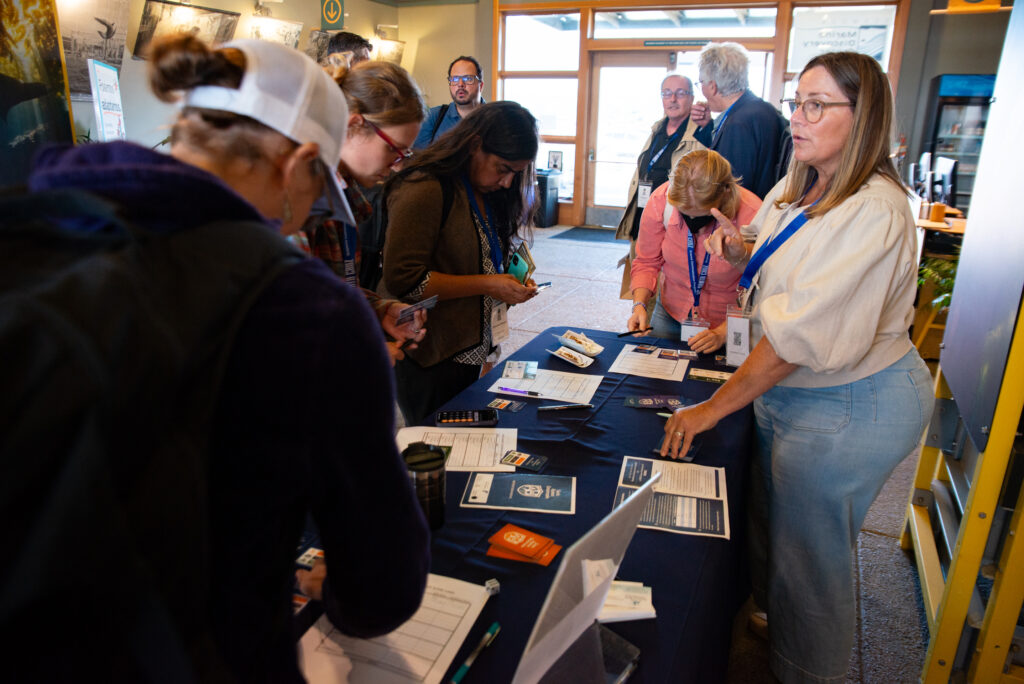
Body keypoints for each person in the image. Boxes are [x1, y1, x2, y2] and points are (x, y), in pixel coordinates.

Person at [2, 36, 429, 681]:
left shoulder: (25, 233)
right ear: (301, 162)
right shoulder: (306, 309)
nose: (298, 224)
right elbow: (382, 585)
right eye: (315, 194)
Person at [662, 52, 933, 684]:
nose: (799, 119)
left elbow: (795, 340)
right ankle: (776, 627)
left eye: (817, 105)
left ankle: (806, 669)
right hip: (801, 390)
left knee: (811, 564)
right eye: (797, 104)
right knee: (775, 534)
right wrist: (744, 247)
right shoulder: (805, 180)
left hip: (851, 401)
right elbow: (791, 250)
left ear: (861, 117)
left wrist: (712, 406)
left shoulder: (874, 208)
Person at [383, 101, 539, 425]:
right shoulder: (425, 187)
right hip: (430, 354)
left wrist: (509, 279)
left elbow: (481, 255)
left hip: (471, 347)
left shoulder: (487, 191)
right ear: (475, 145)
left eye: (516, 172)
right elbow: (405, 281)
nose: (508, 182)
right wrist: (488, 284)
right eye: (503, 168)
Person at [297, 58, 429, 362]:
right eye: (393, 149)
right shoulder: (301, 199)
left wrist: (380, 310)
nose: (397, 165)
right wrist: (361, 352)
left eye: (405, 154)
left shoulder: (346, 195)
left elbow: (333, 291)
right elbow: (288, 326)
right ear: (355, 125)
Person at [626, 149, 761, 351]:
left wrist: (723, 333)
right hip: (671, 310)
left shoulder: (753, 214)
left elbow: (764, 287)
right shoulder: (661, 200)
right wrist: (639, 305)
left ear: (724, 194)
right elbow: (647, 261)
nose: (693, 224)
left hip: (730, 321)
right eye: (684, 215)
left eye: (701, 217)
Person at [615, 73, 710, 299]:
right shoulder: (657, 129)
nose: (673, 99)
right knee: (642, 279)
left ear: (692, 97)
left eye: (680, 93)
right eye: (667, 93)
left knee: (667, 291)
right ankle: (640, 322)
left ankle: (655, 327)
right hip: (643, 217)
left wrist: (708, 125)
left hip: (673, 224)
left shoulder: (701, 133)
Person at [691, 42, 790, 199]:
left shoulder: (738, 124)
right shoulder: (762, 109)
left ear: (712, 86)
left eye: (700, 83)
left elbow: (733, 190)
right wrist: (707, 126)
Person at [412, 55, 485, 149]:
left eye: (468, 79)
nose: (460, 84)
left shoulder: (494, 119)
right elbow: (420, 160)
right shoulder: (432, 117)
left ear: (481, 85)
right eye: (454, 79)